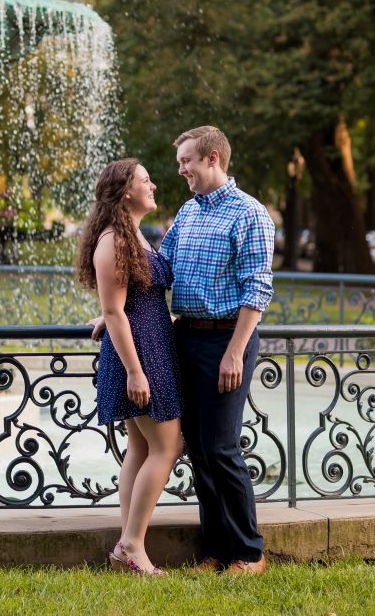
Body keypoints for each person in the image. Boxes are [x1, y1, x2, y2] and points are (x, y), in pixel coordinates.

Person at [160, 126, 274, 574]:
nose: (181, 170)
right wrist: (113, 310)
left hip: (228, 340)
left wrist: (235, 351)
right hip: (186, 337)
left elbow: (257, 289)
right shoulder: (187, 213)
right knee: (200, 448)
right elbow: (161, 270)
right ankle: (215, 551)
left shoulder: (249, 214)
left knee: (223, 446)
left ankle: (250, 552)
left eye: (186, 161)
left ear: (212, 158)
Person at [77, 158, 182, 576]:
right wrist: (136, 372)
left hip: (152, 346)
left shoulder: (133, 234)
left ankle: (129, 543)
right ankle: (132, 545)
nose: (153, 184)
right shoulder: (114, 241)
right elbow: (116, 311)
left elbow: (130, 302)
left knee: (140, 449)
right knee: (167, 446)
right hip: (138, 358)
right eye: (145, 180)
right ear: (125, 191)